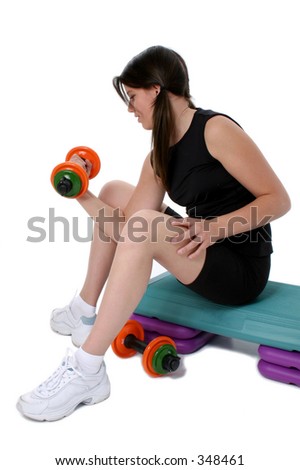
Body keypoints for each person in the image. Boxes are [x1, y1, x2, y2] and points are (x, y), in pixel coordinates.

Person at [17, 45, 291, 421]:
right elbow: (123, 226)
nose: (130, 109)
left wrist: (214, 228)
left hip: (239, 267)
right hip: (198, 251)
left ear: (156, 90)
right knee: (114, 190)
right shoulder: (159, 153)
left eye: (133, 97)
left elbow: (278, 199)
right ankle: (83, 310)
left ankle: (87, 368)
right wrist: (81, 193)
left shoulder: (215, 130)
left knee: (145, 225)